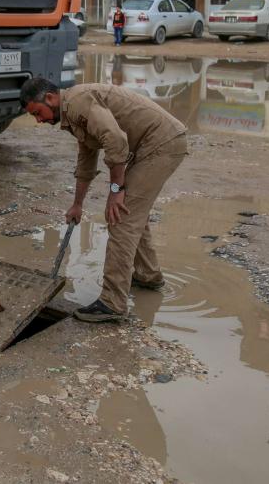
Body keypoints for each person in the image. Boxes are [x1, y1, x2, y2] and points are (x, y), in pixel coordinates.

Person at [18, 77, 188, 323]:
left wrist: (116, 189)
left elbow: (116, 141)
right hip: (154, 144)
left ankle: (112, 302)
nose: (39, 120)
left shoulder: (77, 102)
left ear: (50, 98)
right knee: (131, 214)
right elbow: (86, 161)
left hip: (161, 144)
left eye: (37, 113)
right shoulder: (71, 112)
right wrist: (77, 204)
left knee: (120, 217)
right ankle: (148, 275)